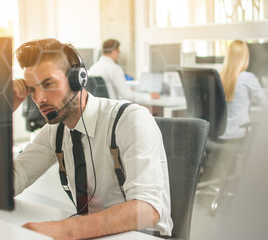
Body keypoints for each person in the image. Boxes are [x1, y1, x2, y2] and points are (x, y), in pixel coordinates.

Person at [12, 38, 173, 240]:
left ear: (77, 79)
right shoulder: (55, 131)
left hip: (143, 235)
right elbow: (9, 184)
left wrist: (66, 229)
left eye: (48, 84)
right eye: (33, 89)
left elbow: (148, 209)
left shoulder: (131, 120)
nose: (40, 99)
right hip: (92, 234)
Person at [219, 39, 268, 139]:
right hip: (239, 133)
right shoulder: (247, 78)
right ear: (245, 57)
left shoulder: (220, 77)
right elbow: (264, 102)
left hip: (220, 134)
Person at [88, 39, 160, 101]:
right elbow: (127, 96)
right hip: (113, 110)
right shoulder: (115, 68)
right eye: (118, 52)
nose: (119, 55)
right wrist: (148, 96)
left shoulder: (93, 68)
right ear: (115, 51)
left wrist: (126, 89)